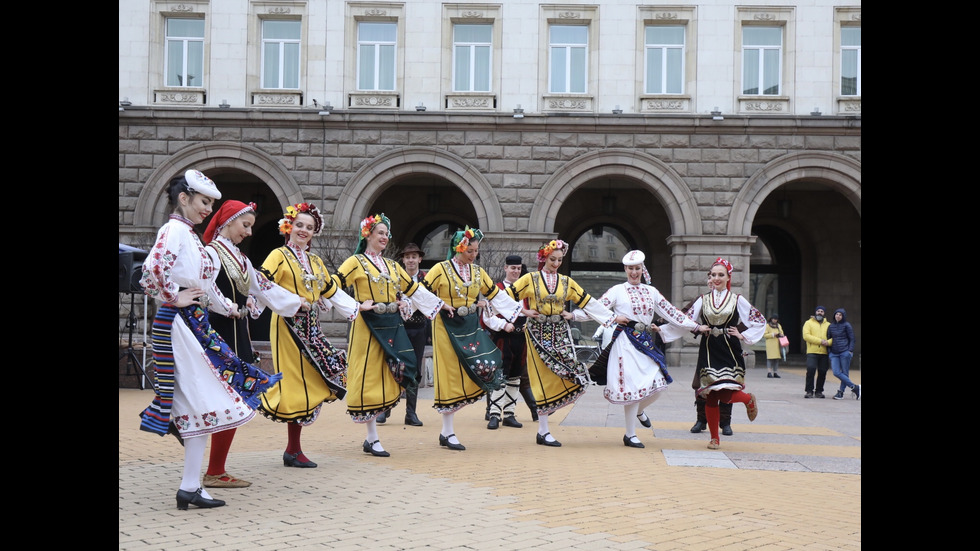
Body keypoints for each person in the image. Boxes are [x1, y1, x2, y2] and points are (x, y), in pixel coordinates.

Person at [139, 169, 282, 510]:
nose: (207, 209)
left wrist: (227, 307)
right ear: (184, 199)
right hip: (178, 322)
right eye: (203, 202)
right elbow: (150, 271)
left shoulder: (191, 237)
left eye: (210, 203)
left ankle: (190, 485)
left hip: (192, 321)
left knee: (201, 403)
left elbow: (205, 286)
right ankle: (190, 480)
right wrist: (174, 295)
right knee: (203, 399)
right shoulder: (174, 230)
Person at [202, 199, 306, 488]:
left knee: (234, 400)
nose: (249, 233)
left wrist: (296, 301)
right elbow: (205, 288)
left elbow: (264, 287)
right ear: (226, 223)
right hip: (216, 334)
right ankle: (212, 471)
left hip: (237, 334)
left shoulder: (240, 258)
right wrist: (226, 307)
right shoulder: (210, 254)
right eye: (245, 226)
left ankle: (215, 470)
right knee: (219, 400)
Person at [257, 202, 361, 468]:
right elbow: (261, 282)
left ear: (315, 232)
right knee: (297, 382)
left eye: (309, 227)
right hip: (288, 326)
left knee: (326, 372)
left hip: (311, 326)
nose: (304, 230)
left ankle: (293, 449)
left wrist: (355, 309)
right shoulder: (278, 255)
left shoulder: (314, 261)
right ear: (289, 226)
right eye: (300, 225)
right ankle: (293, 449)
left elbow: (329, 288)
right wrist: (292, 301)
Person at [334, 217, 444, 456]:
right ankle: (372, 437)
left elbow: (413, 289)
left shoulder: (392, 266)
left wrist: (439, 305)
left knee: (395, 371)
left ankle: (378, 430)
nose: (385, 237)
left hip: (392, 325)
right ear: (368, 234)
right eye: (380, 232)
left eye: (387, 233)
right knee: (370, 374)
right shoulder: (356, 262)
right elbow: (333, 285)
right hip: (368, 327)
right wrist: (355, 305)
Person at [504, 239, 618, 447]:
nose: (556, 263)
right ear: (544, 258)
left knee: (574, 371)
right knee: (542, 378)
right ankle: (543, 430)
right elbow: (505, 297)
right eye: (552, 259)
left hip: (560, 332)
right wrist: (523, 311)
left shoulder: (566, 282)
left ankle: (553, 407)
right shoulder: (530, 279)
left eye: (559, 260)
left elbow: (588, 302)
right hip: (537, 331)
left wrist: (611, 318)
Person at [423, 226, 522, 451]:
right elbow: (421, 291)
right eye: (470, 250)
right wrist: (440, 304)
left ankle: (454, 425)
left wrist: (517, 312)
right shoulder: (440, 269)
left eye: (476, 251)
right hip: (445, 325)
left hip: (469, 325)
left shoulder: (477, 272)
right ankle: (447, 431)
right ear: (459, 248)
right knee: (449, 373)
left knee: (484, 363)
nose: (473, 255)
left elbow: (494, 294)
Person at [593, 250, 701, 448]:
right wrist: (574, 315)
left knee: (659, 383)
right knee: (632, 389)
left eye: (637, 268)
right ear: (625, 269)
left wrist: (695, 326)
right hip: (625, 341)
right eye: (630, 269)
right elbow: (597, 308)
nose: (634, 272)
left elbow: (671, 312)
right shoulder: (617, 290)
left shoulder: (651, 292)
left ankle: (640, 411)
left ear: (642, 269)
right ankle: (630, 434)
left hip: (644, 340)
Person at [662, 257, 765, 450]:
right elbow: (684, 319)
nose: (716, 278)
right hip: (709, 348)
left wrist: (743, 335)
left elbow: (759, 320)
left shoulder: (737, 299)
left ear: (728, 277)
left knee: (726, 394)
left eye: (721, 275)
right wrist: (663, 329)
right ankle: (714, 437)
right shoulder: (703, 299)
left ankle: (747, 398)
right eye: (713, 275)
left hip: (729, 348)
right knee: (710, 395)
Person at [375, 242, 430, 426]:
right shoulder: (395, 278)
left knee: (414, 369)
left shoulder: (426, 279)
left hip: (419, 329)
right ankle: (386, 408)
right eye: (407, 257)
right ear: (403, 260)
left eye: (414, 257)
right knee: (395, 366)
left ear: (420, 259)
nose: (411, 260)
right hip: (399, 328)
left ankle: (411, 413)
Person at [481, 255, 536, 429]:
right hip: (503, 338)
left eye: (518, 269)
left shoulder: (526, 291)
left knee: (515, 377)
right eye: (512, 268)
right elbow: (487, 317)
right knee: (500, 376)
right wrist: (504, 325)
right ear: (505, 268)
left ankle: (510, 414)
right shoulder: (496, 290)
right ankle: (495, 414)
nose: (516, 272)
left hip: (521, 337)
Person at [828, 308, 859, 400]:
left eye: (840, 315)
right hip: (834, 353)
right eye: (836, 314)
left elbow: (852, 339)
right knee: (836, 372)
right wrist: (829, 352)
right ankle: (855, 387)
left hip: (845, 352)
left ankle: (841, 393)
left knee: (845, 373)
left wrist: (850, 351)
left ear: (843, 316)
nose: (838, 316)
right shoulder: (831, 326)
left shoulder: (847, 325)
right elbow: (829, 338)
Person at [802, 305, 832, 399]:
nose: (820, 313)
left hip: (824, 352)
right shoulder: (808, 323)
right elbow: (806, 336)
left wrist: (828, 342)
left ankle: (819, 391)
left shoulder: (829, 325)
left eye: (822, 311)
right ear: (815, 312)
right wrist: (820, 341)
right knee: (811, 369)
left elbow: (834, 337)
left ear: (824, 313)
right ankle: (809, 391)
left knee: (823, 371)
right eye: (818, 311)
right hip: (812, 351)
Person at [762, 314, 785, 378]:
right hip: (770, 344)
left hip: (777, 344)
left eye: (776, 319)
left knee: (776, 359)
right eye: (774, 319)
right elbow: (765, 335)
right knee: (770, 359)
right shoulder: (767, 326)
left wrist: (781, 334)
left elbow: (782, 332)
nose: (775, 320)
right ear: (771, 319)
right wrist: (772, 334)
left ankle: (775, 372)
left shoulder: (778, 325)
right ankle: (769, 372)